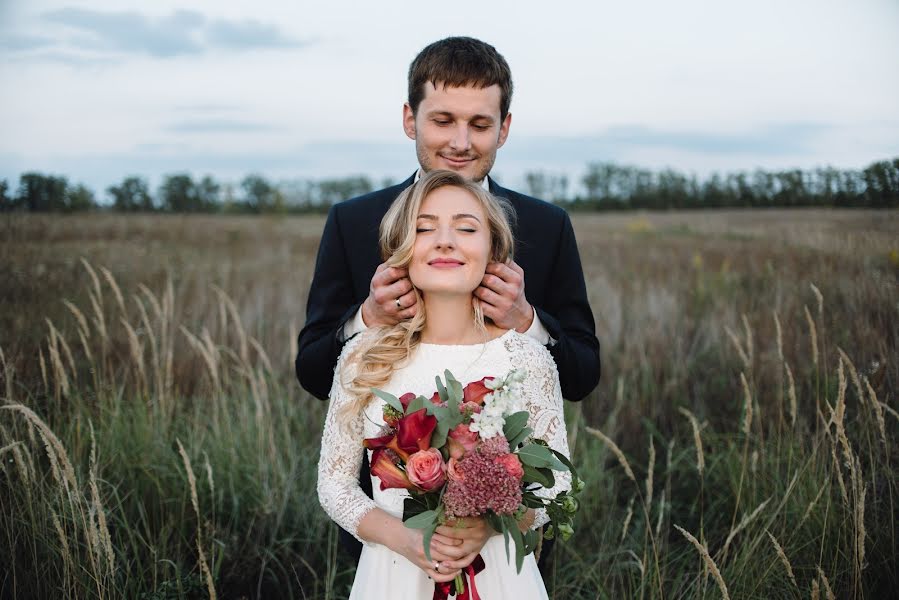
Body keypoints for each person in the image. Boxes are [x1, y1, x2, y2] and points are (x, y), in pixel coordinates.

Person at [298, 36, 599, 566]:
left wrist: (526, 321)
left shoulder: (548, 227)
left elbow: (581, 376)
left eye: (480, 124)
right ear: (410, 119)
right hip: (387, 537)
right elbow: (311, 372)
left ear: (504, 127)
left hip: (507, 544)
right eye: (442, 120)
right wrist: (367, 318)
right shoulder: (353, 222)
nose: (460, 141)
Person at [317, 170, 570, 599]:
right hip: (394, 572)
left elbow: (556, 483)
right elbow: (335, 485)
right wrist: (406, 539)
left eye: (467, 228)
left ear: (494, 250)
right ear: (401, 250)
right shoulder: (364, 356)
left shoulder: (526, 358)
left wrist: (487, 528)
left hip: (499, 577)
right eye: (423, 227)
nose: (445, 240)